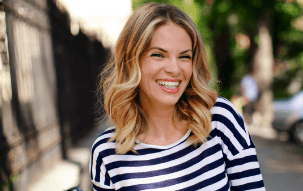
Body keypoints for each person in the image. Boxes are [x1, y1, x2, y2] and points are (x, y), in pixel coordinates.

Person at [90, 3, 265, 190]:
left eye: (184, 57)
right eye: (158, 55)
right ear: (132, 61)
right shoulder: (106, 154)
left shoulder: (219, 119)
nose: (174, 69)